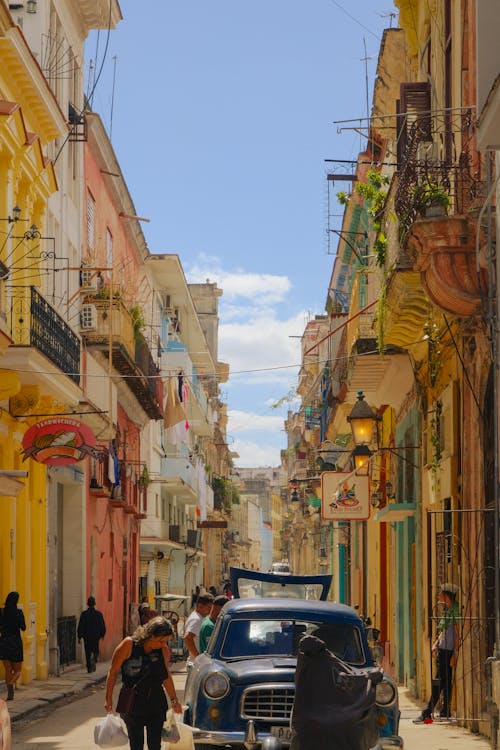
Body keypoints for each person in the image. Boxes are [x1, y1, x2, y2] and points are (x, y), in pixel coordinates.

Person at [104, 616, 182, 750]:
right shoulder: (128, 645)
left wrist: (174, 700)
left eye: (166, 641)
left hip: (156, 703)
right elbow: (113, 671)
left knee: (154, 745)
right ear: (151, 635)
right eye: (161, 640)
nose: (164, 644)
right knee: (136, 745)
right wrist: (108, 698)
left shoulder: (162, 650)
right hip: (133, 703)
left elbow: (166, 676)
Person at [413, 583, 460, 723]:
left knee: (438, 681)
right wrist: (435, 644)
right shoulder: (447, 610)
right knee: (445, 681)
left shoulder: (455, 610)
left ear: (446, 595)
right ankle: (445, 711)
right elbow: (443, 631)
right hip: (442, 649)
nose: (438, 596)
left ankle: (427, 712)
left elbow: (458, 634)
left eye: (440, 593)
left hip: (448, 651)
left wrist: (454, 654)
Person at [0, 591, 26, 701]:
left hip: (4, 642)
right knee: (18, 670)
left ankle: (9, 690)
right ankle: (11, 684)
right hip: (15, 643)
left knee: (7, 669)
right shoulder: (18, 613)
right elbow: (24, 627)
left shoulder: (1, 612)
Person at [77, 596, 106, 673]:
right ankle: (95, 658)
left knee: (87, 651)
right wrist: (102, 634)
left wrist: (79, 636)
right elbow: (102, 625)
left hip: (87, 637)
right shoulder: (99, 614)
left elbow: (81, 626)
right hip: (96, 636)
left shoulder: (84, 614)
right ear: (94, 604)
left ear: (88, 604)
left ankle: (89, 668)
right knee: (96, 650)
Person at [183, 592, 214, 664]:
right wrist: (198, 657)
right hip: (196, 664)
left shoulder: (200, 617)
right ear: (200, 606)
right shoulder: (196, 619)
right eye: (209, 607)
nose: (211, 611)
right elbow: (187, 638)